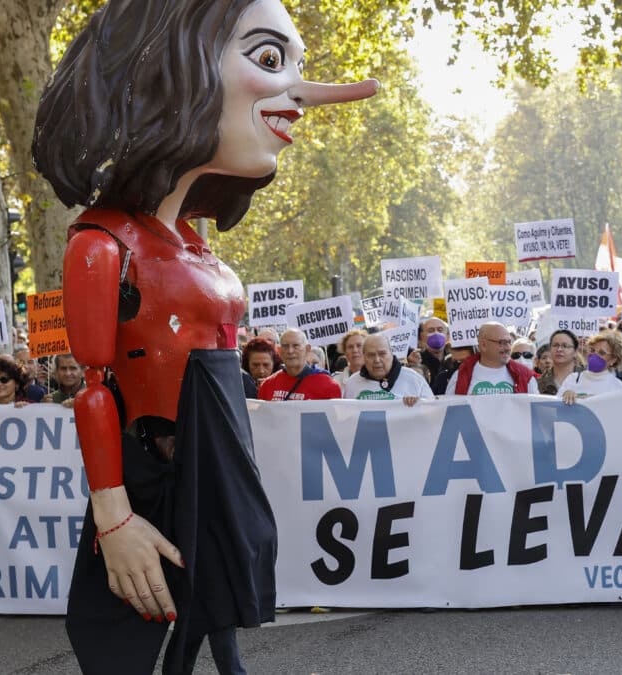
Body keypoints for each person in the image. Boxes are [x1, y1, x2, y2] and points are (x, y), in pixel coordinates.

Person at [33, 1, 377, 670]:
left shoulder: (195, 245)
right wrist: (114, 516)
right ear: (171, 69)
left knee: (217, 597)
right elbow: (94, 386)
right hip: (155, 468)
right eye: (271, 59)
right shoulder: (101, 244)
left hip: (216, 459)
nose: (299, 93)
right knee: (149, 620)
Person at [445, 322, 538, 395]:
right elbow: (451, 412)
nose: (508, 348)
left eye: (509, 342)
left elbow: (535, 411)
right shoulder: (461, 375)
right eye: (502, 342)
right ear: (483, 345)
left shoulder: (525, 376)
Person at [341, 334, 433, 405]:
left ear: (391, 354)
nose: (377, 360)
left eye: (382, 354)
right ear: (364, 357)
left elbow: (433, 413)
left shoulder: (414, 379)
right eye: (371, 355)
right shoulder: (352, 383)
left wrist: (420, 405)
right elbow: (345, 418)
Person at [258, 328, 342, 401]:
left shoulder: (328, 385)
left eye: (296, 346)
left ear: (307, 349)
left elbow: (335, 418)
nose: (290, 351)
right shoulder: (267, 385)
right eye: (285, 346)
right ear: (279, 351)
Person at [557, 332, 622, 402]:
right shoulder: (572, 379)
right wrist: (564, 395)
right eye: (592, 350)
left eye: (602, 353)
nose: (594, 355)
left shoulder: (619, 388)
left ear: (613, 360)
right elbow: (556, 405)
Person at [536, 329, 582, 395]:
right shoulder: (539, 382)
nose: (559, 349)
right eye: (555, 345)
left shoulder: (587, 377)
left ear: (575, 351)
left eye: (565, 346)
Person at [417, 317, 450, 395]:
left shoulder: (454, 360)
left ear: (447, 335)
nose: (436, 333)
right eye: (430, 330)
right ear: (422, 336)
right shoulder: (417, 359)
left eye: (440, 330)